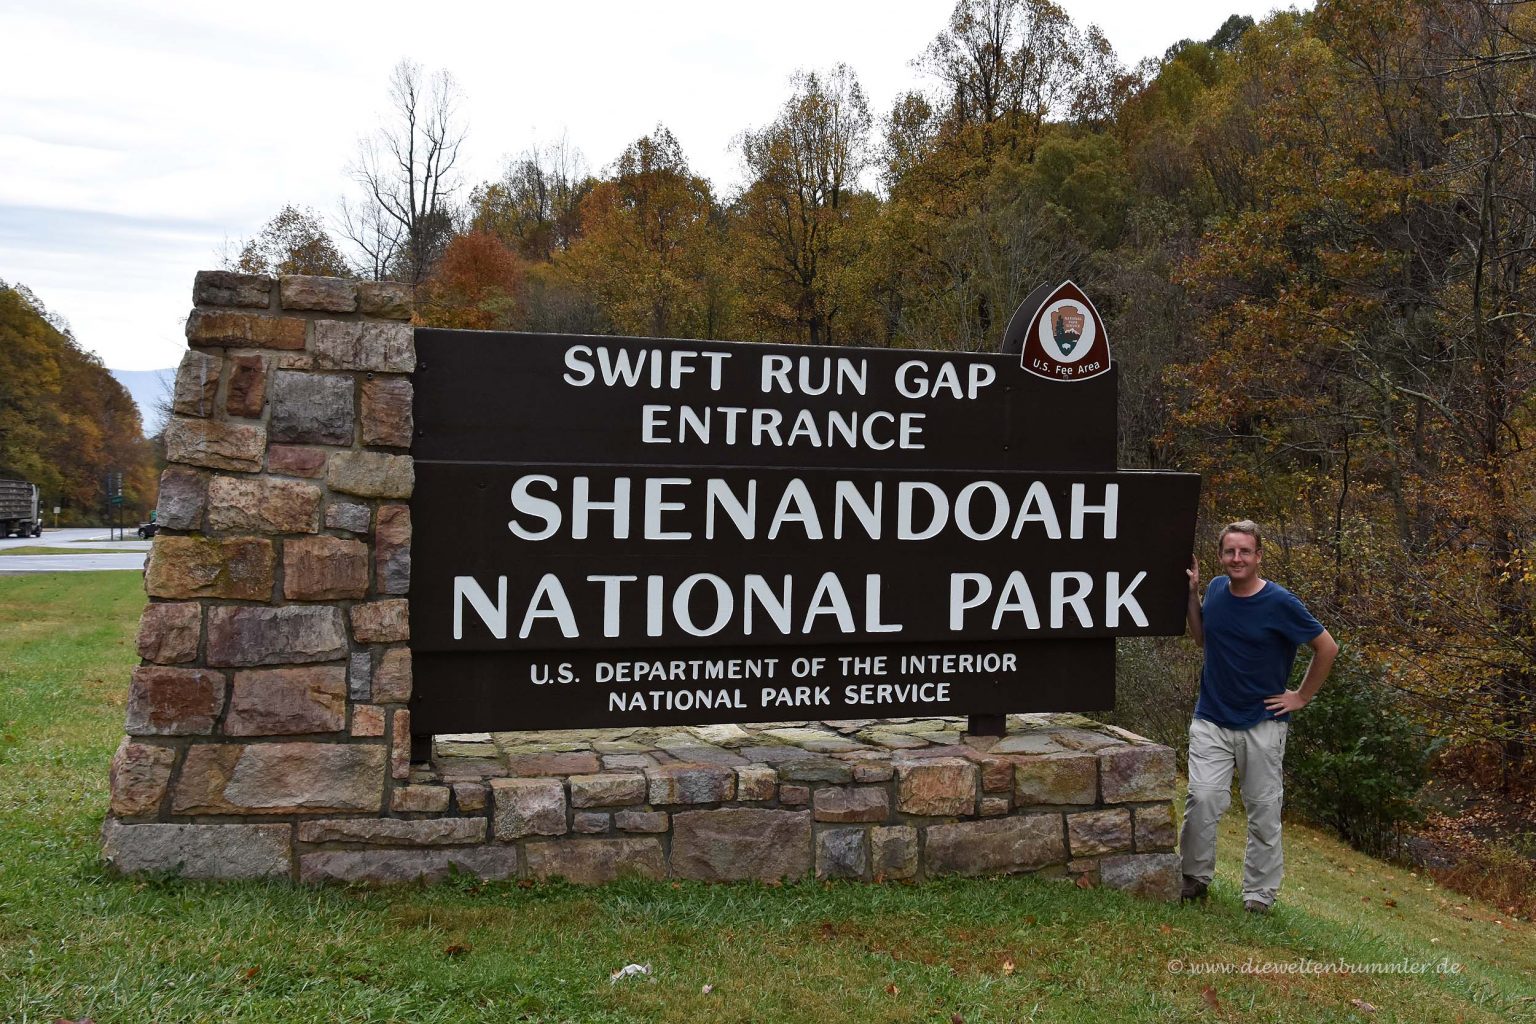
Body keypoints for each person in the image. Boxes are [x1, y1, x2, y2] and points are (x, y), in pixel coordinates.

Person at [1180, 520, 1338, 913]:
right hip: (1212, 717)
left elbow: (1327, 648)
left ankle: (1258, 896)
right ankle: (1193, 879)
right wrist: (1193, 594)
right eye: (1230, 551)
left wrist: (1300, 696)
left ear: (1258, 556)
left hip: (1263, 723)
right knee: (1202, 798)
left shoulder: (1280, 603)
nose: (1237, 558)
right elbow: (1201, 638)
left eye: (1245, 552)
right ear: (1220, 556)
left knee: (1263, 810)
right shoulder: (1216, 589)